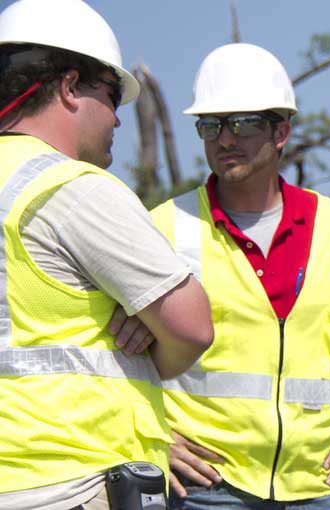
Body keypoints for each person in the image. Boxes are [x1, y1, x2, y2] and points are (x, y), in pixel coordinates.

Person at [149, 42, 330, 509]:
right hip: (205, 489)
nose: (224, 139)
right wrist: (148, 431)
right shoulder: (161, 227)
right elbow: (103, 348)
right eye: (210, 125)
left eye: (241, 124)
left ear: (281, 132)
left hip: (322, 487)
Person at [0, 0, 213, 509]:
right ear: (70, 86)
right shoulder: (72, 187)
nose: (118, 118)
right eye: (112, 95)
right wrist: (148, 338)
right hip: (73, 478)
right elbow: (192, 325)